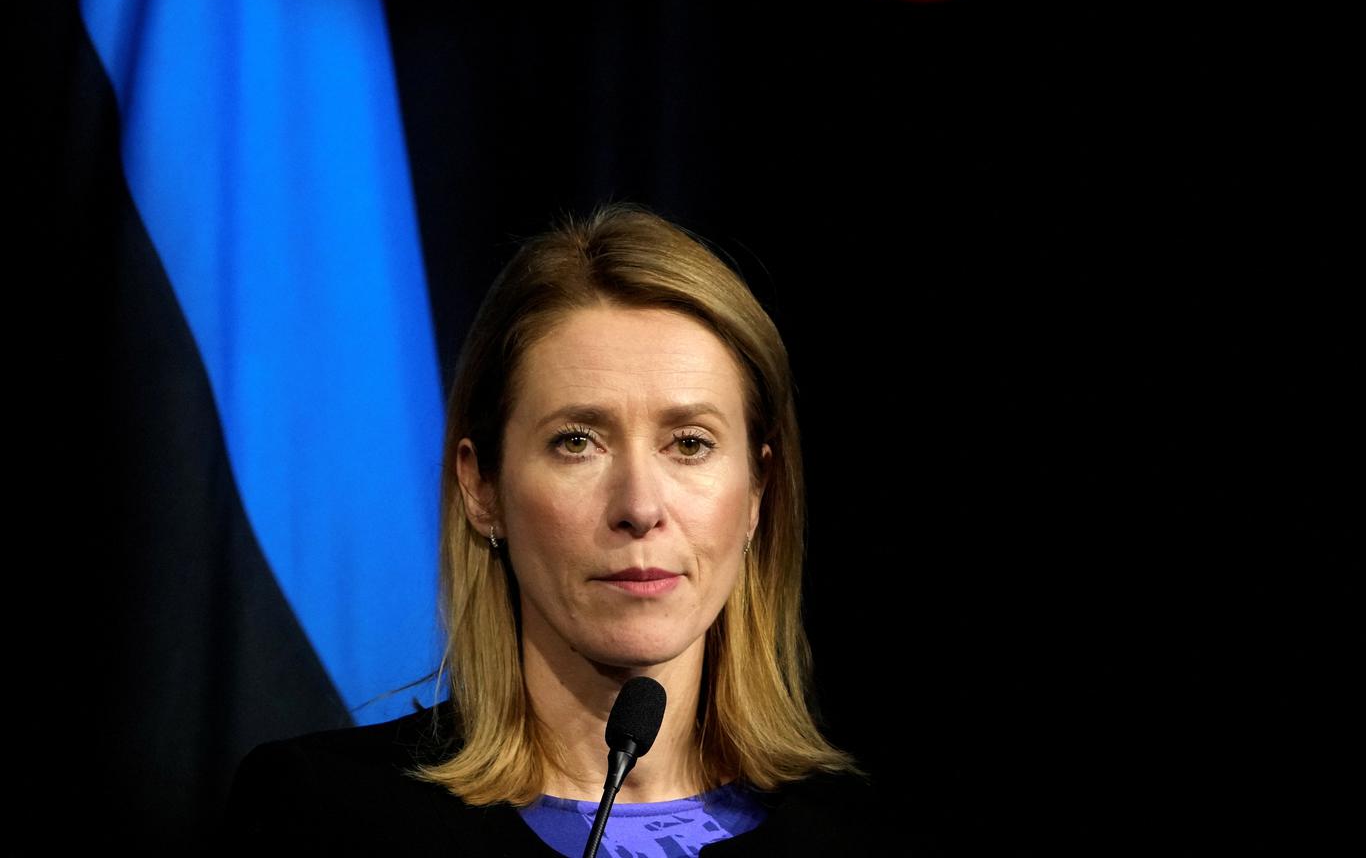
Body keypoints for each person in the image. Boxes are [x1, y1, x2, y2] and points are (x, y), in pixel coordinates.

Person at [223, 203, 885, 855]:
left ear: (757, 492)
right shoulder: (326, 818)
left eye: (689, 443)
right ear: (482, 488)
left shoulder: (869, 836)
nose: (640, 506)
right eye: (577, 442)